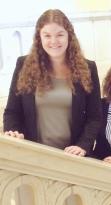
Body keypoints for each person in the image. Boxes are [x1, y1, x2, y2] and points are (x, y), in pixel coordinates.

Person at [3, 9, 101, 157]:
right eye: (47, 35)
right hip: (34, 154)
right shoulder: (24, 65)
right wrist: (14, 133)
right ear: (39, 38)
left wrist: (83, 145)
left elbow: (94, 117)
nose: (53, 41)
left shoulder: (88, 68)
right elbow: (12, 112)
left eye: (60, 35)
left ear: (69, 36)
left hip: (73, 156)